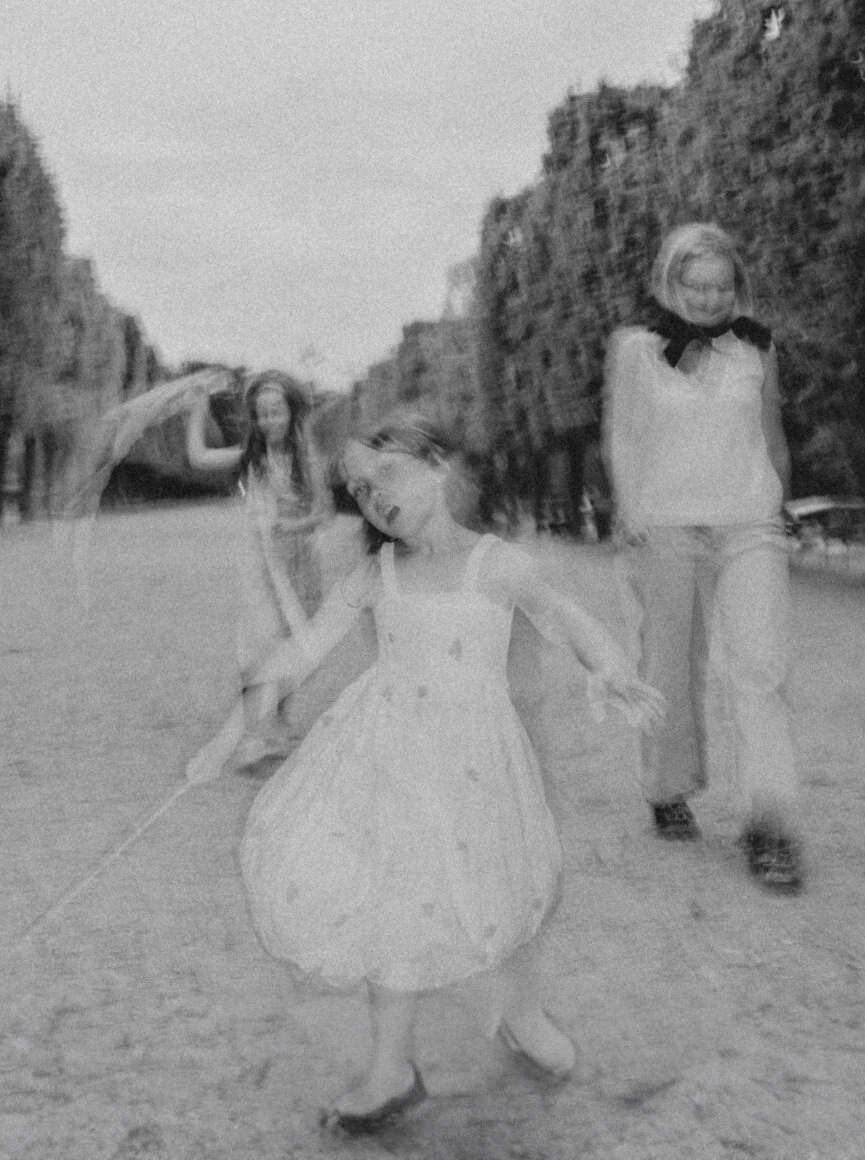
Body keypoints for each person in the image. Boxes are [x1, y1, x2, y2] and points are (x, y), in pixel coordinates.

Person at [216, 413, 661, 1133]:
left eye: (386, 474)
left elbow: (565, 617)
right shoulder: (376, 572)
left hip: (477, 761)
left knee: (502, 883)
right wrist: (252, 701)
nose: (374, 496)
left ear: (438, 466)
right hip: (386, 756)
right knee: (392, 895)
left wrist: (611, 667)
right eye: (360, 489)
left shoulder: (497, 564)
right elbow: (309, 644)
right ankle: (391, 1065)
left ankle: (521, 1012)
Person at [602, 221, 803, 890]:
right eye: (697, 286)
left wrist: (781, 506)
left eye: (723, 287)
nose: (711, 299)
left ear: (735, 287)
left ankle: (770, 827)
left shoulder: (756, 348)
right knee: (669, 666)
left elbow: (772, 435)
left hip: (749, 525)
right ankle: (668, 788)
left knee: (761, 672)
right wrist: (629, 509)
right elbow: (625, 438)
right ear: (671, 282)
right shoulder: (634, 351)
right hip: (666, 526)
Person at [186, 369, 331, 771]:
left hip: (298, 565)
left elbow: (323, 512)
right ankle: (253, 739)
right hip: (259, 569)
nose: (268, 421)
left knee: (290, 648)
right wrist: (200, 405)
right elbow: (198, 457)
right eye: (262, 414)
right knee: (257, 647)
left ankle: (279, 724)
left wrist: (291, 526)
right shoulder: (252, 458)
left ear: (292, 414)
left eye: (276, 413)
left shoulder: (306, 461)